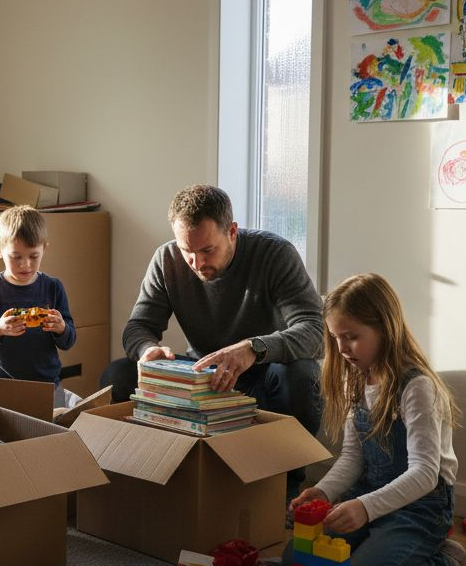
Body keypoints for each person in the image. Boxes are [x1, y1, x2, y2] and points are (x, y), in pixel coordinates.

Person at [102, 184, 323, 497]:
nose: (196, 262)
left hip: (265, 376)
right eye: (186, 251)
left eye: (207, 250)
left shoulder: (275, 254)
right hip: (203, 376)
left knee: (302, 376)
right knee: (117, 375)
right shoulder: (166, 259)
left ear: (232, 232)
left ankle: (284, 486)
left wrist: (254, 348)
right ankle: (143, 475)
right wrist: (147, 350)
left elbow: (315, 331)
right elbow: (138, 327)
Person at [284, 273, 466, 566]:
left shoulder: (417, 387)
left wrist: (365, 508)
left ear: (385, 329)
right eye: (335, 338)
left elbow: (424, 474)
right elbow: (351, 458)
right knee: (295, 562)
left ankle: (448, 563)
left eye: (352, 337)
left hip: (421, 507)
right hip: (371, 493)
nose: (342, 348)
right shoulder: (358, 379)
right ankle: (380, 545)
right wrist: (324, 490)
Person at [0, 206, 80, 408]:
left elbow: (69, 340)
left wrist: (61, 328)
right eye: (16, 256)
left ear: (44, 249)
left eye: (33, 256)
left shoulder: (53, 287)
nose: (25, 264)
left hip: (46, 386)